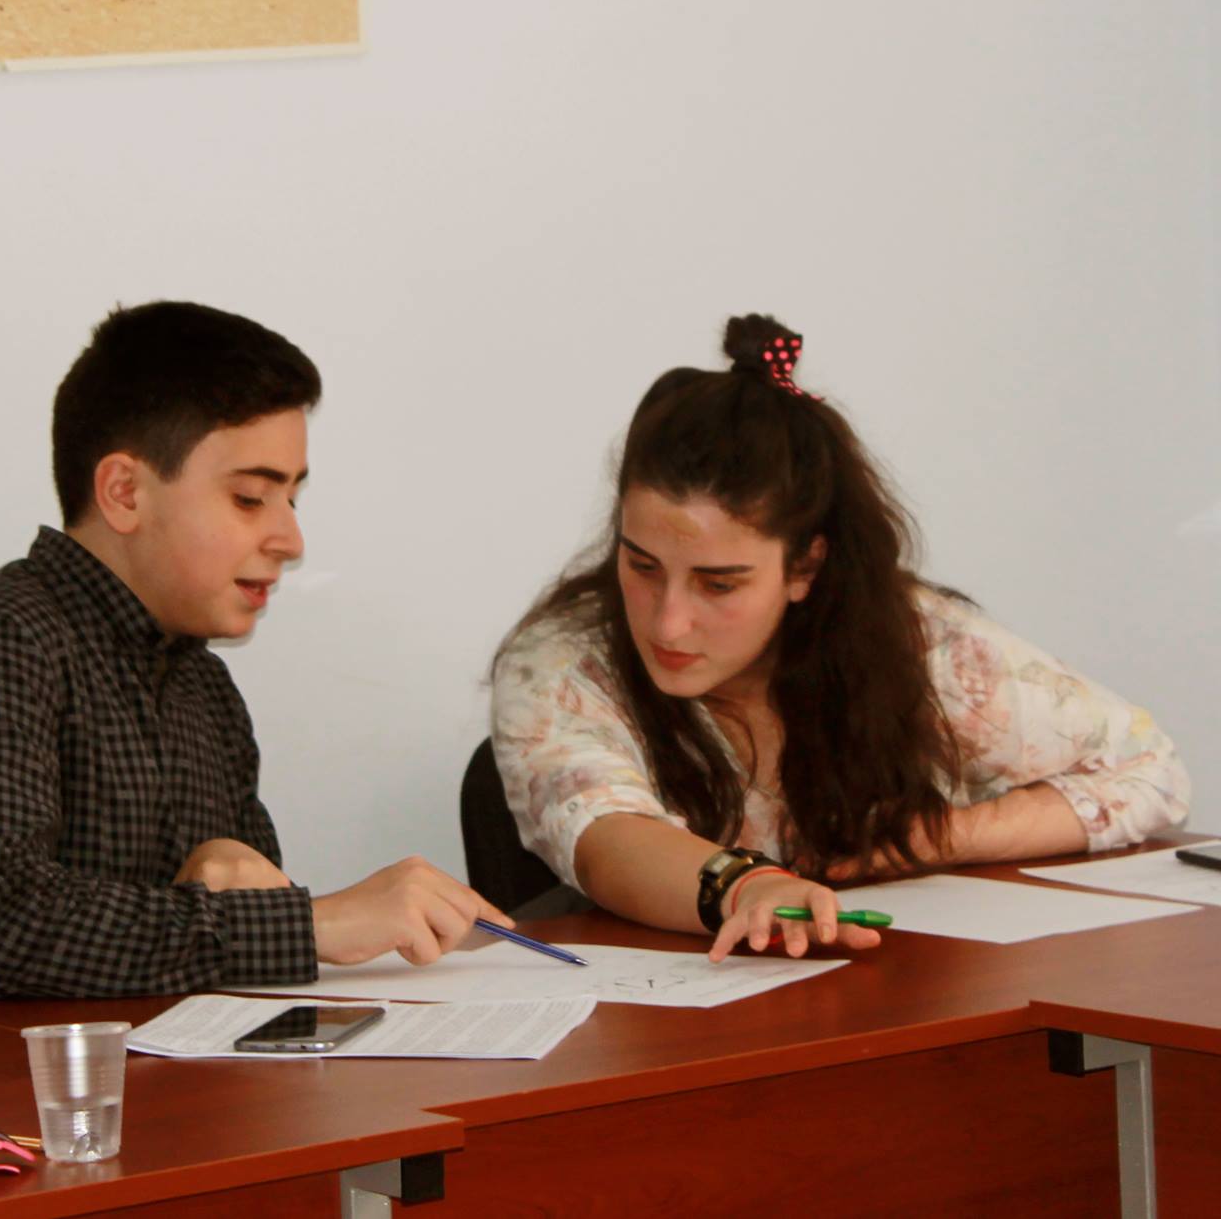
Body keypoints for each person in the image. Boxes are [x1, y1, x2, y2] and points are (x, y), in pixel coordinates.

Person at [0, 301, 508, 1034]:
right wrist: (313, 923)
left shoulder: (202, 684)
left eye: (291, 497)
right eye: (250, 497)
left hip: (160, 1075)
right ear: (125, 492)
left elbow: (224, 949)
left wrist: (234, 880)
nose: (290, 538)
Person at [490, 315, 1189, 963]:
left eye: (719, 584)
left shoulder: (916, 640)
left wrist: (934, 838)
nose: (668, 622)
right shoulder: (560, 661)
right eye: (642, 566)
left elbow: (1145, 768)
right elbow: (606, 834)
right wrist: (748, 887)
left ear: (805, 567)